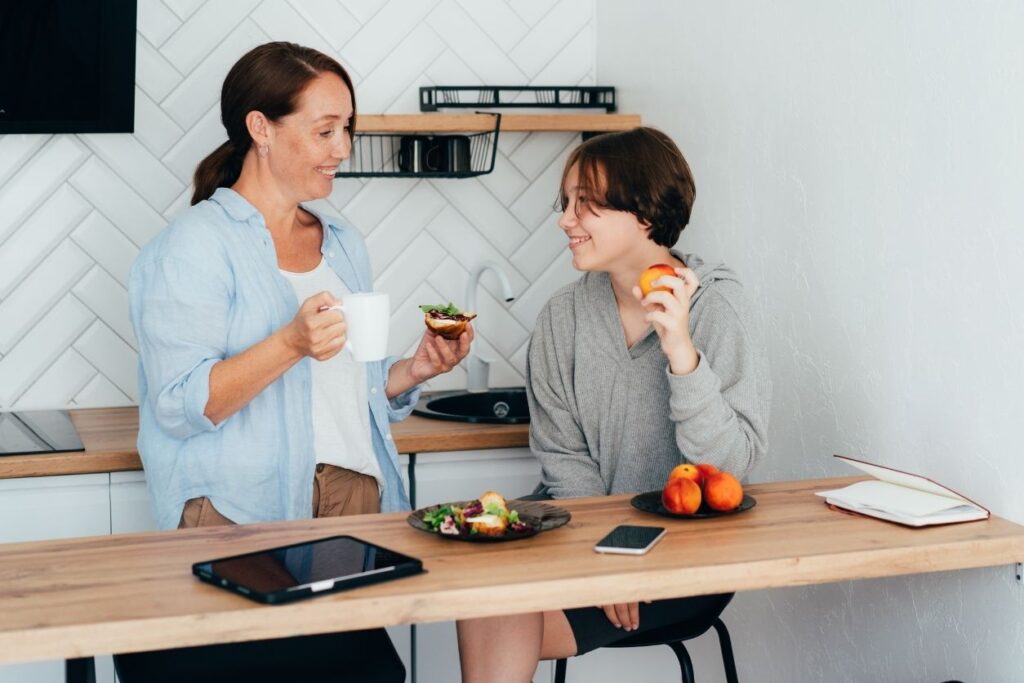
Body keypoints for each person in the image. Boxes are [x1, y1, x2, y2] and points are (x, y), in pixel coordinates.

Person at [122, 41, 471, 682]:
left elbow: (351, 384)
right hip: (239, 505)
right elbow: (179, 404)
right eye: (324, 131)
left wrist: (414, 369)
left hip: (351, 499)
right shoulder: (193, 248)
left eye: (347, 130)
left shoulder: (341, 241)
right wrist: (288, 343)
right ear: (261, 127)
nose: (342, 149)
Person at [456, 127, 771, 682]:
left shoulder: (717, 307)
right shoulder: (563, 317)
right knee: (480, 578)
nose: (565, 219)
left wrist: (681, 352)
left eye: (588, 204)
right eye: (567, 203)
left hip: (687, 558)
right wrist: (604, 559)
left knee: (498, 602)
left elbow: (729, 471)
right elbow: (562, 457)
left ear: (646, 213)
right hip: (582, 538)